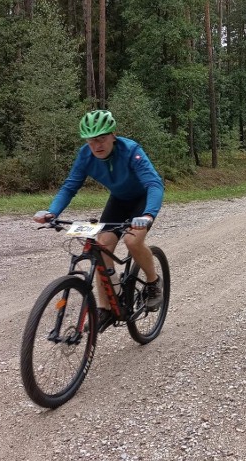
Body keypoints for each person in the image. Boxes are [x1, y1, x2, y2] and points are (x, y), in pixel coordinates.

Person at [33, 109, 165, 330]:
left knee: (132, 241)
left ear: (113, 135)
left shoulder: (131, 151)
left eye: (101, 138)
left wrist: (148, 215)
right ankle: (105, 308)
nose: (96, 145)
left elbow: (154, 184)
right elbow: (70, 186)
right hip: (119, 201)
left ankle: (153, 283)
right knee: (101, 246)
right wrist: (52, 213)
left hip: (142, 200)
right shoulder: (85, 155)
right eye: (91, 141)